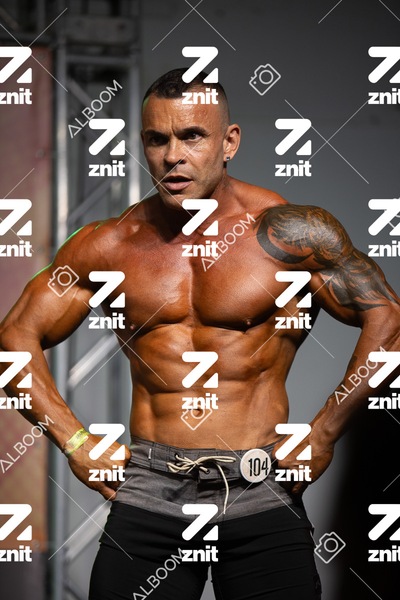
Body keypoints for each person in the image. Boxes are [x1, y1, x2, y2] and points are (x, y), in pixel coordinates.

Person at [0, 68, 399, 599]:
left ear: (229, 142)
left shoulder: (291, 234)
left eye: (192, 136)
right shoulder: (108, 245)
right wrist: (75, 442)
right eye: (156, 139)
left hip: (262, 486)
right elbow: (15, 337)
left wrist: (324, 433)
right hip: (149, 490)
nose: (173, 156)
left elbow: (388, 319)